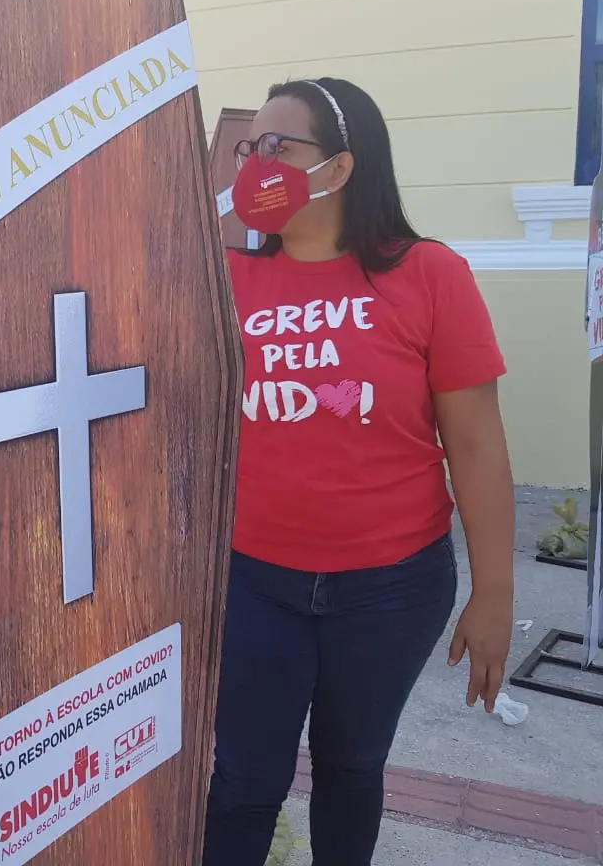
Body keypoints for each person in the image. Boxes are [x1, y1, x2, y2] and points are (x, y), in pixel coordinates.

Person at [203, 78, 516, 866]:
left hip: (391, 589)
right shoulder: (223, 280)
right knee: (244, 781)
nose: (257, 162)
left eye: (281, 147)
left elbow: (476, 446)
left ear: (339, 168)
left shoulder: (430, 275)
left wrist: (494, 595)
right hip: (253, 582)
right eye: (251, 148)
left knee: (351, 770)